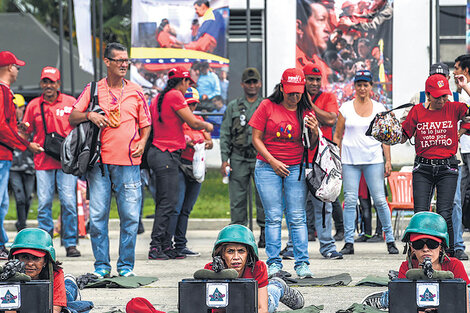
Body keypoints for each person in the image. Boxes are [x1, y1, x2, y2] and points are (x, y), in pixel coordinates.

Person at [69, 42, 152, 278]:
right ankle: (102, 266)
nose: (124, 65)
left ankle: (125, 267)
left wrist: (143, 142)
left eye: (127, 60)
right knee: (97, 218)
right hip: (99, 165)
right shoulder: (93, 89)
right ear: (107, 62)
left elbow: (146, 124)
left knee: (130, 218)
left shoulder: (135, 90)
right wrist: (90, 114)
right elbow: (73, 117)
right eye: (119, 61)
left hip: (129, 164)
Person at [250, 68, 318, 278]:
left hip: (295, 168)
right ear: (281, 88)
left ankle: (302, 264)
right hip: (267, 167)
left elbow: (311, 144)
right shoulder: (267, 106)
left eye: (298, 92)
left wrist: (315, 131)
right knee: (273, 217)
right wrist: (272, 161)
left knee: (297, 217)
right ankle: (273, 263)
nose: (294, 96)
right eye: (290, 92)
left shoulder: (306, 111)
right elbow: (256, 138)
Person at [147, 66, 213, 261]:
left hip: (160, 153)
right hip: (166, 154)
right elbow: (193, 122)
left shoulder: (158, 97)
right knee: (168, 203)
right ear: (183, 82)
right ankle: (156, 246)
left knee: (168, 202)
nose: (187, 88)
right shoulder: (175, 95)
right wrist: (207, 125)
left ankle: (166, 245)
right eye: (188, 84)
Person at [401, 74, 470, 256]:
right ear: (428, 95)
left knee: (445, 213)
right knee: (420, 213)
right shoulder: (416, 111)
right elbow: (402, 136)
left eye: (445, 95)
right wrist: (386, 133)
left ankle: (448, 254)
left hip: (447, 168)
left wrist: (466, 88)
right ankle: (417, 254)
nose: (442, 100)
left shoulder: (455, 108)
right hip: (423, 168)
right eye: (438, 96)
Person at [333, 70, 398, 255]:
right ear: (355, 86)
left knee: (379, 199)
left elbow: (385, 137)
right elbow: (337, 136)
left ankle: (390, 240)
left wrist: (388, 160)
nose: (362, 88)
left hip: (373, 159)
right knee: (351, 199)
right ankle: (348, 241)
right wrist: (336, 159)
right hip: (350, 160)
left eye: (366, 85)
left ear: (371, 87)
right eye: (359, 85)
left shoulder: (379, 108)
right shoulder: (345, 108)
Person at [281, 63, 342, 260]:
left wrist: (309, 104)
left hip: (321, 161)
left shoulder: (327, 98)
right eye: (310, 79)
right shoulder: (293, 98)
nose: (314, 83)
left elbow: (331, 119)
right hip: (298, 158)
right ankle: (292, 247)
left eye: (317, 80)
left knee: (323, 205)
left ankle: (328, 247)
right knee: (295, 206)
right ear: (303, 80)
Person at [21, 66, 81, 258]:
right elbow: (25, 133)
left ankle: (70, 243)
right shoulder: (33, 106)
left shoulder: (71, 103)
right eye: (45, 81)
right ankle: (45, 243)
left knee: (69, 202)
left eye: (52, 82)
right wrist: (28, 143)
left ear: (58, 84)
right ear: (41, 84)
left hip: (66, 163)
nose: (48, 85)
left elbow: (81, 129)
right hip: (42, 161)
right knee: (44, 204)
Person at [362, 212, 470, 310]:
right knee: (396, 294)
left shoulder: (454, 265)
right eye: (418, 244)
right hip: (414, 303)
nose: (425, 249)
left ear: (441, 247)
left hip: (448, 304)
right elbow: (403, 305)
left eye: (433, 244)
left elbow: (465, 299)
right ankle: (386, 298)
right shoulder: (407, 267)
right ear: (411, 247)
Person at [205, 225, 305, 313]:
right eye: (230, 251)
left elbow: (262, 309)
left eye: (241, 251)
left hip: (254, 304)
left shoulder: (258, 267)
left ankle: (277, 286)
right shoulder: (210, 271)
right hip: (230, 307)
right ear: (222, 254)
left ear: (248, 253)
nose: (236, 257)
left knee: (271, 302)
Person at [219, 67, 266, 248]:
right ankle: (240, 235)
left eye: (255, 82)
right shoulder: (233, 106)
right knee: (238, 199)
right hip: (238, 157)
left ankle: (264, 233)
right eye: (248, 82)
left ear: (259, 84)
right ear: (242, 84)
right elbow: (225, 134)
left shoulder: (265, 105)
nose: (252, 85)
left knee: (263, 197)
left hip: (260, 158)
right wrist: (225, 159)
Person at [168, 87, 213, 257]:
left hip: (196, 166)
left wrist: (204, 144)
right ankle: (168, 244)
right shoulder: (178, 120)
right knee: (177, 207)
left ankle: (181, 244)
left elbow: (210, 141)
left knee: (187, 208)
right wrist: (186, 143)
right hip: (181, 164)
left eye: (194, 104)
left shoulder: (199, 120)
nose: (192, 108)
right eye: (189, 104)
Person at [0, 51, 36, 260]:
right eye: (17, 66)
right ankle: (1, 243)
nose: (18, 70)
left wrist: (17, 129)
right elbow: (1, 126)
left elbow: (6, 124)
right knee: (1, 202)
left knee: (3, 201)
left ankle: (2, 242)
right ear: (9, 68)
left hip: (5, 153)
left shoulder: (6, 91)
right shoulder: (3, 91)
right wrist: (25, 144)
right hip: (2, 154)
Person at [7, 228, 93, 313]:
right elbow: (9, 309)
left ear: (45, 261)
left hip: (53, 299)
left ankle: (70, 282)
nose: (30, 263)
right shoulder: (8, 274)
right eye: (25, 257)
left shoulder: (55, 273)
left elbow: (55, 310)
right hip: (27, 303)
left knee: (69, 303)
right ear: (16, 258)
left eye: (36, 258)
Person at [9, 94, 35, 232]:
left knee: (28, 197)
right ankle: (22, 227)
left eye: (22, 108)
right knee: (19, 197)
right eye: (18, 108)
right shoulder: (9, 124)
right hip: (14, 167)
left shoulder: (29, 123)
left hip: (30, 167)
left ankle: (21, 221)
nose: (20, 110)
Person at [453, 54, 470, 261]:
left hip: (467, 147)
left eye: (457, 68)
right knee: (461, 193)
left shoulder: (465, 91)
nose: (454, 72)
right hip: (461, 150)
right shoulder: (458, 93)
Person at [296, 0, 332, 87]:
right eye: (321, 20)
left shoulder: (320, 64)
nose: (328, 29)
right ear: (299, 27)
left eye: (327, 22)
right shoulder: (289, 61)